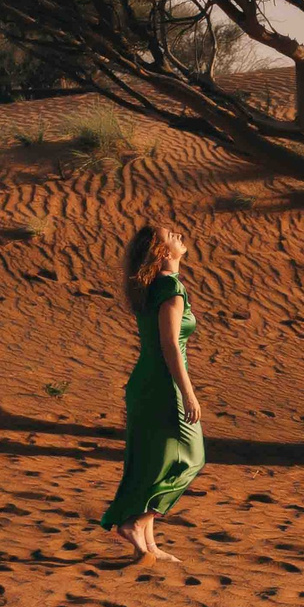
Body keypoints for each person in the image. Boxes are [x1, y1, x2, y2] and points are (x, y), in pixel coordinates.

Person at [97, 222, 206, 561]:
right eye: (169, 235)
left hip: (145, 381)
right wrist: (188, 393)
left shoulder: (152, 287)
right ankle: (136, 521)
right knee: (191, 457)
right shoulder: (171, 289)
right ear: (163, 253)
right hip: (165, 383)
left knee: (151, 462)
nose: (177, 234)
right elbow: (170, 345)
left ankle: (149, 545)